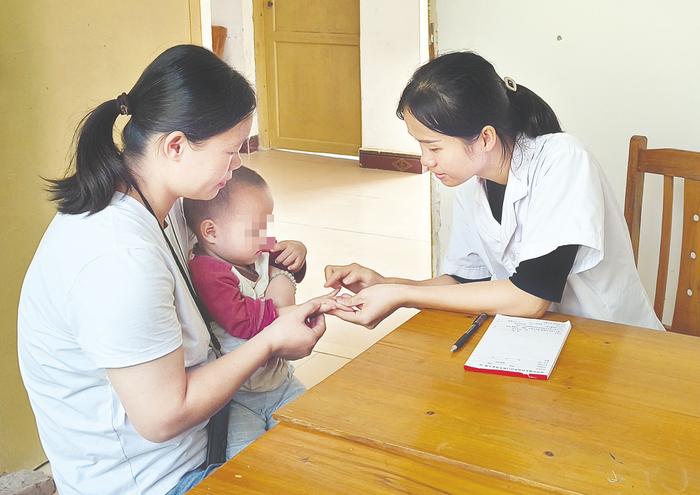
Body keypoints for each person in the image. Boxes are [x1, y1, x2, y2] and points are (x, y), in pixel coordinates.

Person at [17, 45, 329, 495]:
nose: (238, 163)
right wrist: (270, 340)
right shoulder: (117, 258)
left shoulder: (163, 205)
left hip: (203, 437)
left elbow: (243, 258)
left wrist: (283, 270)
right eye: (231, 150)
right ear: (176, 146)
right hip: (157, 481)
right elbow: (163, 417)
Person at [325, 51, 663, 331]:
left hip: (608, 338)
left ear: (485, 138)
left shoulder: (562, 160)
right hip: (537, 339)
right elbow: (464, 282)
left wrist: (401, 296)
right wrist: (386, 285)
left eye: (434, 147)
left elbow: (530, 298)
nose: (426, 161)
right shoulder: (474, 179)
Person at [183, 166, 335, 459]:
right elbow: (242, 320)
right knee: (247, 461)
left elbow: (283, 260)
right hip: (239, 398)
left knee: (314, 441)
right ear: (211, 232)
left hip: (281, 382)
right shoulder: (208, 271)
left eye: (268, 226)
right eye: (257, 229)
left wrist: (297, 252)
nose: (267, 238)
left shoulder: (251, 248)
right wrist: (295, 310)